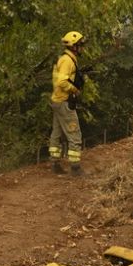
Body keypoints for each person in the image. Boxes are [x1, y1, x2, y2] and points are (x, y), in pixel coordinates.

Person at [49, 31, 85, 175]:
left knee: (56, 133)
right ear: (74, 46)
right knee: (74, 133)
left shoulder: (66, 59)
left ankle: (55, 163)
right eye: (80, 45)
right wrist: (75, 90)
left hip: (57, 100)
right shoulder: (67, 61)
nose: (83, 48)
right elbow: (62, 81)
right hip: (64, 102)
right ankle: (75, 168)